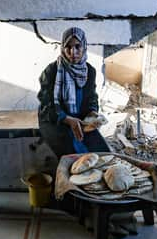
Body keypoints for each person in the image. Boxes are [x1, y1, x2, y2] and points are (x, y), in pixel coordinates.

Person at [37, 27, 110, 157]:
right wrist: (67, 119)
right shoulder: (51, 71)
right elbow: (46, 106)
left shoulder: (89, 71)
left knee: (103, 153)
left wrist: (92, 112)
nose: (73, 52)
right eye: (68, 47)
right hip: (55, 120)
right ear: (62, 48)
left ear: (84, 47)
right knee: (75, 156)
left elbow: (91, 97)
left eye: (77, 46)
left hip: (80, 119)